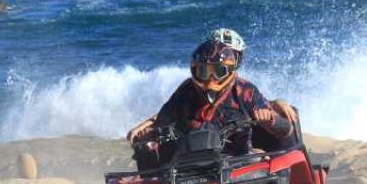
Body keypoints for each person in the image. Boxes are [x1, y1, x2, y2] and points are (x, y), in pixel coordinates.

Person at [127, 29, 296, 154]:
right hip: (193, 163)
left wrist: (271, 117)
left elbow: (282, 127)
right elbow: (166, 116)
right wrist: (147, 129)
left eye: (220, 69)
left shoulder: (245, 91)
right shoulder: (186, 91)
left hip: (238, 161)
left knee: (262, 157)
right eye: (204, 70)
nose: (211, 79)